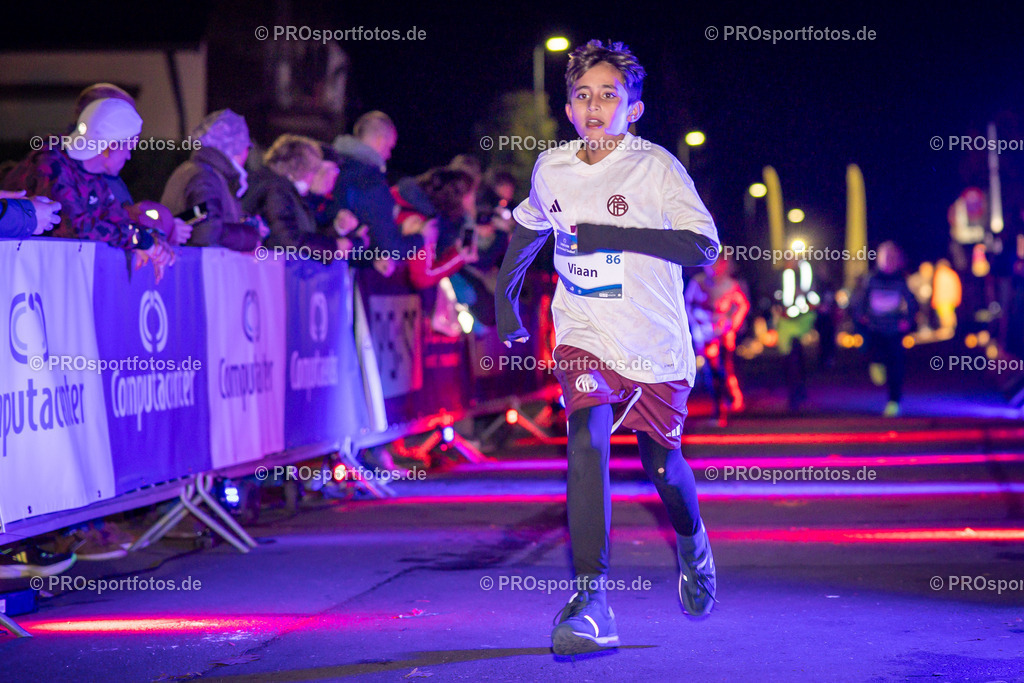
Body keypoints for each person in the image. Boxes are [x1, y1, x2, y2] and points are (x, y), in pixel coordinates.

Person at [496, 40, 720, 655]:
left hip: (653, 343)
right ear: (569, 110)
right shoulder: (553, 167)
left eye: (609, 95)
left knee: (662, 469)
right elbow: (529, 225)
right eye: (583, 96)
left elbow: (705, 247)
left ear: (634, 108)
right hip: (583, 331)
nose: (595, 106)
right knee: (586, 437)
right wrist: (504, 299)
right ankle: (591, 599)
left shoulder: (658, 169)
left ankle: (693, 541)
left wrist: (609, 233)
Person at [2, 97, 177, 281]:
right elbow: (75, 227)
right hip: (19, 278)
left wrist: (153, 238)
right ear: (110, 146)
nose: (129, 156)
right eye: (128, 147)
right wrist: (139, 240)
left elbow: (116, 218)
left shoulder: (93, 176)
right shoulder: (52, 163)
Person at [161, 109, 264, 251]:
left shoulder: (201, 171)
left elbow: (197, 217)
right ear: (237, 147)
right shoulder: (205, 177)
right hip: (195, 269)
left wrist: (245, 223)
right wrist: (250, 236)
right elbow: (207, 230)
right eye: (247, 147)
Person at [243, 134, 354, 262]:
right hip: (273, 271)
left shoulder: (288, 193)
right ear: (301, 169)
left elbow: (307, 233)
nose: (314, 177)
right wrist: (333, 246)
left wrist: (336, 231)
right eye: (314, 170)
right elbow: (287, 239)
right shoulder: (277, 191)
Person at [851, 242, 919, 417]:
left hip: (894, 330)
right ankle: (876, 365)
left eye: (892, 258)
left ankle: (894, 401)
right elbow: (860, 301)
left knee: (896, 366)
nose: (889, 261)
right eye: (885, 257)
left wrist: (907, 321)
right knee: (877, 360)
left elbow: (912, 302)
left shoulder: (900, 280)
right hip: (875, 329)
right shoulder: (871, 279)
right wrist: (861, 318)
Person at [685, 257, 750, 421]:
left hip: (724, 333)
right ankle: (717, 405)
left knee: (726, 368)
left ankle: (732, 400)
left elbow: (742, 305)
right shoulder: (698, 283)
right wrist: (696, 323)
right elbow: (686, 304)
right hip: (705, 333)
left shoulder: (731, 284)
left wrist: (733, 324)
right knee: (709, 370)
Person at [774, 258, 819, 411]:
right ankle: (794, 394)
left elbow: (814, 299)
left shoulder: (806, 275)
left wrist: (807, 305)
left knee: (798, 360)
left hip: (802, 325)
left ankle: (799, 394)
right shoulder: (781, 277)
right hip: (786, 326)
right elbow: (775, 299)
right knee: (788, 362)